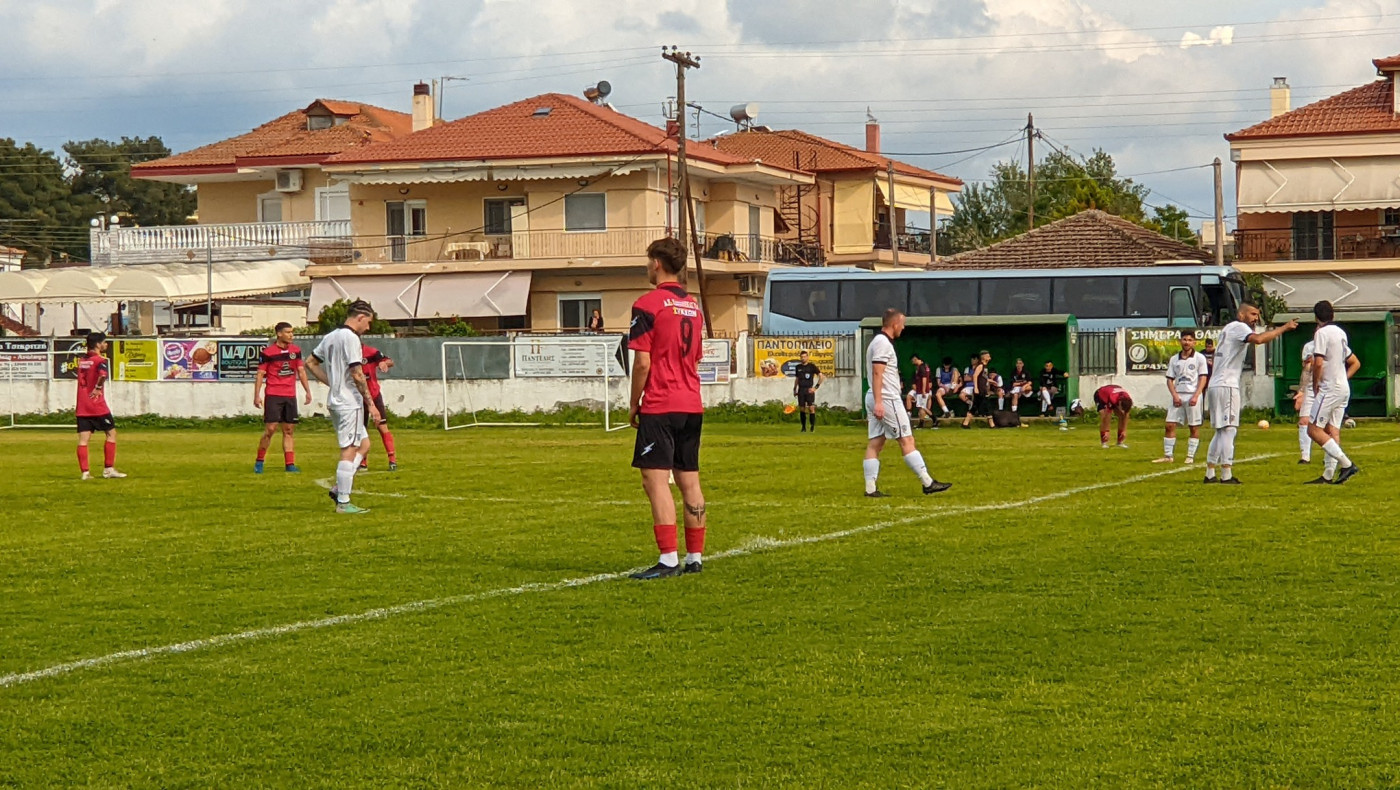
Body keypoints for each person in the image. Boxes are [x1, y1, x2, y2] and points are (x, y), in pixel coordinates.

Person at [627, 238, 707, 580]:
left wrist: (634, 402)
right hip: (692, 403)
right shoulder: (695, 308)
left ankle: (668, 559)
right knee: (689, 479)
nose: (647, 267)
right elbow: (696, 356)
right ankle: (695, 557)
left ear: (658, 263)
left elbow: (642, 362)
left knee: (655, 480)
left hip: (662, 403)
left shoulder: (647, 304)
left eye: (648, 261)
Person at [1204, 302, 1298, 484]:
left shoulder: (1228, 329)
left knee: (1220, 430)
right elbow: (1259, 340)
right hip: (1227, 385)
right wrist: (1284, 328)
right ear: (1241, 314)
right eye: (1253, 314)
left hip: (1216, 384)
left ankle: (1210, 473)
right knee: (1229, 429)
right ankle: (1226, 474)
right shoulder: (1239, 327)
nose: (1256, 318)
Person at [864, 309, 951, 497]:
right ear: (895, 324)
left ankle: (870, 488)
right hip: (886, 398)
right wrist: (880, 402)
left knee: (876, 442)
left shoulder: (877, 342)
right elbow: (877, 372)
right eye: (902, 324)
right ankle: (927, 482)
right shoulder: (882, 343)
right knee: (907, 439)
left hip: (875, 396)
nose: (903, 328)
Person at [306, 300, 381, 514]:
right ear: (360, 317)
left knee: (364, 445)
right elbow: (357, 374)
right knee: (349, 450)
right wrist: (371, 404)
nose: (368, 327)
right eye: (368, 322)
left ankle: (339, 487)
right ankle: (344, 502)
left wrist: (332, 383)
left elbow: (310, 362)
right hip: (349, 403)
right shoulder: (351, 338)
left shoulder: (331, 337)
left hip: (337, 400)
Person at [1305, 300, 1361, 485]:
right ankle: (1328, 474)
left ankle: (1346, 464)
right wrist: (1343, 378)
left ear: (1316, 317)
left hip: (1329, 388)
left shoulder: (1321, 333)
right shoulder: (1340, 332)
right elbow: (1354, 361)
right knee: (1332, 430)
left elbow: (1318, 362)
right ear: (1333, 315)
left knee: (1313, 429)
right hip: (1343, 388)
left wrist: (1315, 384)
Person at [252, 322, 312, 474]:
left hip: (290, 395)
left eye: (292, 332)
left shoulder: (295, 351)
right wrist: (257, 395)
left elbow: (301, 371)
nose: (291, 335)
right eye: (288, 332)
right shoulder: (268, 352)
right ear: (279, 334)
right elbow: (260, 374)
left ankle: (290, 464)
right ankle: (259, 461)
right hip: (273, 394)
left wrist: (307, 391)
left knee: (289, 430)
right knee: (270, 429)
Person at [75, 331, 124, 480]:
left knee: (83, 440)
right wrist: (97, 388)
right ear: (98, 344)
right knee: (111, 434)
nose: (106, 344)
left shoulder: (82, 361)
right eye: (104, 342)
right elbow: (103, 375)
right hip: (97, 405)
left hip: (82, 406)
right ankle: (108, 469)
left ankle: (85, 473)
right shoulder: (99, 360)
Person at [1154, 329, 1208, 464]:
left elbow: (1203, 378)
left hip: (1193, 396)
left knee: (1193, 427)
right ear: (1180, 341)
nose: (1187, 342)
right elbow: (1169, 379)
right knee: (1169, 425)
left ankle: (1190, 457)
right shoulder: (1174, 359)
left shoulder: (1199, 358)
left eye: (1190, 340)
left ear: (1194, 342)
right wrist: (1174, 395)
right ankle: (1168, 456)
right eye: (1184, 339)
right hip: (1178, 395)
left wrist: (1196, 395)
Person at [360, 345, 398, 471]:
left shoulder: (371, 352)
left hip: (374, 395)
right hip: (357, 397)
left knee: (382, 427)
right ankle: (363, 462)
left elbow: (390, 361)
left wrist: (383, 363)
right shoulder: (346, 353)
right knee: (360, 430)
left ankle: (392, 460)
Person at [1294, 340, 1317, 465]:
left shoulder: (1334, 344)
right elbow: (1306, 370)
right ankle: (1305, 457)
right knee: (1304, 421)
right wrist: (1301, 391)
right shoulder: (1309, 346)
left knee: (1329, 425)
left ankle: (1331, 459)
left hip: (1327, 386)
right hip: (1311, 387)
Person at [1093, 384, 1133, 449]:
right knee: (1104, 414)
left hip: (1114, 393)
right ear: (1119, 404)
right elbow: (1107, 415)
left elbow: (1126, 414)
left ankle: (1120, 442)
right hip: (1101, 395)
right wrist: (1106, 432)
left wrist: (1124, 431)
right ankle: (1104, 441)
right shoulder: (1112, 398)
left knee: (1123, 415)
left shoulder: (1127, 400)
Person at [793, 349, 824, 432]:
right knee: (802, 408)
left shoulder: (812, 366)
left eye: (804, 357)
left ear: (807, 357)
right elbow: (797, 378)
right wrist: (795, 388)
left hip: (809, 390)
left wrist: (815, 387)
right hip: (801, 390)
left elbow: (821, 376)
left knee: (811, 408)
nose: (803, 358)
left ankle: (812, 426)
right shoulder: (798, 367)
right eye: (801, 357)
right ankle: (803, 427)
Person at [961, 350, 993, 429]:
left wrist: (990, 381)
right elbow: (975, 376)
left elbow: (983, 378)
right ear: (983, 357)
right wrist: (976, 388)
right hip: (979, 389)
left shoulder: (985, 367)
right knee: (986, 406)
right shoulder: (980, 366)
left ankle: (965, 423)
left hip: (983, 389)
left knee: (975, 407)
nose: (989, 356)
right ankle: (992, 424)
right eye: (987, 355)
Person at [906, 354, 933, 428]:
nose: (912, 363)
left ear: (915, 359)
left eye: (912, 361)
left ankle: (934, 419)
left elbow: (924, 379)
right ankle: (921, 423)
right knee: (921, 407)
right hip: (920, 390)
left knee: (922, 407)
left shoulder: (922, 367)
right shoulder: (924, 367)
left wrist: (923, 390)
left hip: (922, 390)